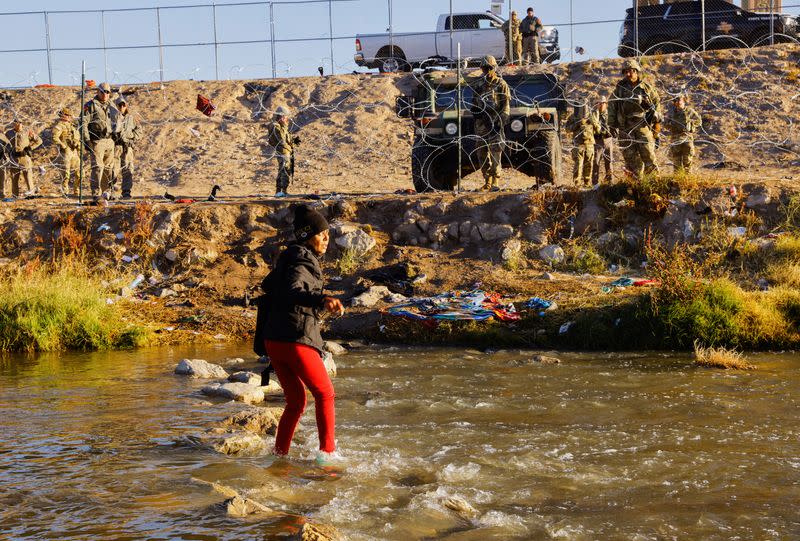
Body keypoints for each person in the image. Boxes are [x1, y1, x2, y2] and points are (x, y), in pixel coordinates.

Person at [260, 204, 344, 466]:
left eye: (328, 235)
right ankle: (327, 456)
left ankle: (279, 456)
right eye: (322, 235)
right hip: (294, 338)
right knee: (325, 394)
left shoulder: (289, 258)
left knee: (296, 401)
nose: (327, 240)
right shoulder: (302, 259)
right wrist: (322, 299)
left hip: (274, 340)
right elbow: (292, 291)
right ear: (308, 235)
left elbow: (276, 288)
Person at [608, 59, 661, 180]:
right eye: (625, 72)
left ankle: (654, 186)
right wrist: (611, 125)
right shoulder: (620, 90)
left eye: (630, 71)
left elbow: (657, 103)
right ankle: (633, 188)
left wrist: (656, 123)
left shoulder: (646, 88)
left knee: (649, 157)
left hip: (643, 126)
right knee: (631, 161)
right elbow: (612, 106)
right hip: (625, 127)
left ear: (636, 71)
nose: (628, 74)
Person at [470, 55, 510, 191]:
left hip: (495, 122)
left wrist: (500, 122)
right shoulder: (478, 85)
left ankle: (495, 182)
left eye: (489, 68)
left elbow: (505, 106)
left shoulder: (501, 84)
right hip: (481, 124)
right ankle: (487, 180)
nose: (487, 71)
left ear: (494, 68)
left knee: (495, 152)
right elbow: (474, 104)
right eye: (484, 68)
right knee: (481, 153)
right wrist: (477, 112)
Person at [81, 82, 117, 198]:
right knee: (97, 167)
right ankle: (96, 194)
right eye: (103, 91)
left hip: (109, 140)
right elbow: (83, 123)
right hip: (97, 140)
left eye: (108, 92)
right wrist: (86, 140)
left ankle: (107, 192)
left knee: (108, 168)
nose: (105, 94)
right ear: (98, 91)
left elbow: (119, 119)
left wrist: (117, 133)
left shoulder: (112, 105)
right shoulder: (90, 105)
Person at [665, 93, 702, 174]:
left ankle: (687, 178)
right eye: (676, 101)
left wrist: (690, 125)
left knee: (687, 159)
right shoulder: (671, 112)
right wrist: (672, 126)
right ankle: (678, 178)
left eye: (680, 100)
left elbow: (698, 121)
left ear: (684, 101)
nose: (678, 102)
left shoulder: (689, 111)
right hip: (675, 138)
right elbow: (665, 123)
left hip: (687, 137)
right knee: (676, 160)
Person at [267, 106, 299, 197]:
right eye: (285, 117)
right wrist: (284, 125)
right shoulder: (275, 126)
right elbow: (281, 139)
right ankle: (282, 191)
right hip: (282, 151)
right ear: (281, 116)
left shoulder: (280, 126)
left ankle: (280, 191)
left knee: (283, 170)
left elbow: (287, 138)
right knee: (285, 170)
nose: (286, 119)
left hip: (285, 151)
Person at [112, 97, 140, 199]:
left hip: (127, 147)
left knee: (128, 169)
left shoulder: (131, 118)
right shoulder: (112, 117)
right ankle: (111, 190)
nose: (122, 107)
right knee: (114, 169)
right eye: (120, 105)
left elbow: (139, 131)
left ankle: (126, 191)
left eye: (123, 105)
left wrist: (131, 137)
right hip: (116, 146)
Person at [6, 120, 42, 197]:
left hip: (25, 158)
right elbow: (5, 144)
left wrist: (30, 148)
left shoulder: (27, 132)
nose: (19, 124)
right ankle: (15, 196)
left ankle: (31, 195)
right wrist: (9, 151)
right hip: (14, 158)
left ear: (22, 124)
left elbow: (39, 141)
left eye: (20, 123)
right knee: (14, 178)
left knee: (28, 177)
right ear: (13, 124)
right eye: (16, 123)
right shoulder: (9, 133)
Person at [568, 104, 600, 185]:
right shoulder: (573, 116)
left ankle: (587, 183)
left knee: (589, 164)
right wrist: (577, 124)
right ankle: (577, 183)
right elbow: (567, 129)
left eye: (585, 106)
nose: (584, 108)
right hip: (578, 145)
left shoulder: (592, 116)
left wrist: (594, 122)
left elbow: (598, 130)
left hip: (589, 144)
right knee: (578, 165)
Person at [52, 108, 81, 197]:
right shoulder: (59, 126)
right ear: (62, 115)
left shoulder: (72, 126)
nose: (69, 117)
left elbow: (77, 137)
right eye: (67, 115)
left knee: (79, 173)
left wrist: (78, 144)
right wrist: (62, 145)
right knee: (66, 173)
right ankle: (65, 191)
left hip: (74, 150)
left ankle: (77, 190)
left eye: (70, 115)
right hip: (66, 151)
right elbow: (54, 138)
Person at [592, 96, 614, 184]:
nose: (601, 105)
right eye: (598, 103)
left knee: (609, 162)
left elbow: (613, 127)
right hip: (597, 141)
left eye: (603, 103)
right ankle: (595, 183)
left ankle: (610, 182)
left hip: (608, 140)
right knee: (596, 162)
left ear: (606, 104)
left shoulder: (610, 115)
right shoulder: (593, 115)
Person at [0, 130, 11, 199]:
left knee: (2, 177)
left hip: (1, 159)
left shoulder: (2, 136)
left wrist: (5, 154)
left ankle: (2, 192)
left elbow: (9, 146)